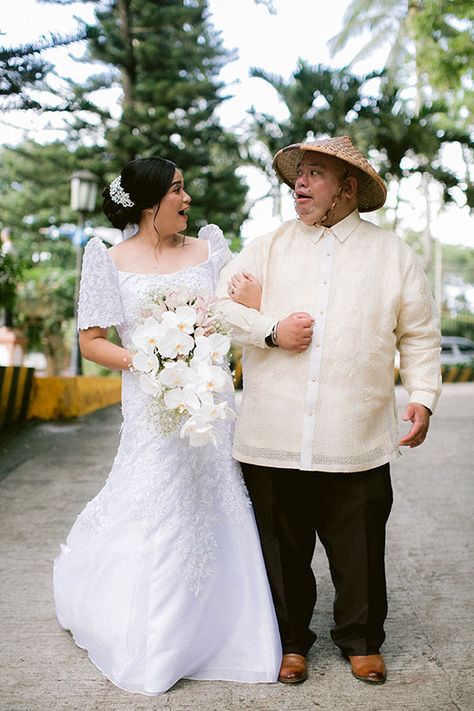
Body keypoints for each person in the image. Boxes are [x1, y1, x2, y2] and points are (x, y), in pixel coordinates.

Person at [216, 136, 441, 686]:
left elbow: (419, 333)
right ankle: (291, 641)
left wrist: (422, 396)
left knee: (360, 544)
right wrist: (269, 330)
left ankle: (361, 640)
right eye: (299, 174)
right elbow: (217, 308)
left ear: (348, 188)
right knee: (282, 547)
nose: (300, 183)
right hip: (274, 428)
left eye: (315, 174)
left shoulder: (392, 254)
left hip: (355, 430)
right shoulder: (265, 247)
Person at [53, 156, 282, 695]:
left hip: (211, 403)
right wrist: (147, 360)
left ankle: (230, 628)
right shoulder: (106, 260)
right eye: (177, 190)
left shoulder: (209, 248)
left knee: (215, 494)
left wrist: (248, 304)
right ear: (150, 202)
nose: (187, 199)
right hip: (151, 408)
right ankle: (158, 636)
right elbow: (92, 342)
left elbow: (234, 312)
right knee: (158, 498)